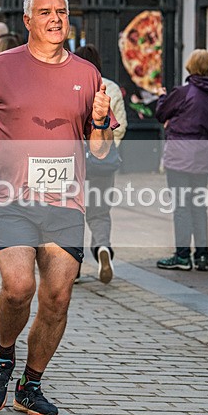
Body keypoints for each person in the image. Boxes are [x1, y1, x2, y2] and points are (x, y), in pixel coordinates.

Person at [0, 0, 115, 415]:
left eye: (61, 11)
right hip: (11, 196)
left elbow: (99, 150)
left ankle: (30, 385)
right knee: (19, 287)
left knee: (58, 297)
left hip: (65, 201)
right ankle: (4, 354)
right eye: (45, 12)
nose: (55, 19)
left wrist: (101, 121)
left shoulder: (87, 74)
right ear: (27, 20)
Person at [155, 50, 208, 272]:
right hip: (203, 154)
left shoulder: (183, 92)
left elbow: (161, 113)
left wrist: (162, 97)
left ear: (190, 66)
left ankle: (182, 255)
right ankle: (201, 254)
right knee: (199, 206)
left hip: (180, 155)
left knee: (182, 206)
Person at [74, 44, 127, 283]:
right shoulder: (111, 88)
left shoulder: (71, 86)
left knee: (73, 213)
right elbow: (120, 126)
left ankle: (73, 266)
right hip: (103, 161)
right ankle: (103, 248)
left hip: (75, 160)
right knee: (100, 213)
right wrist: (106, 148)